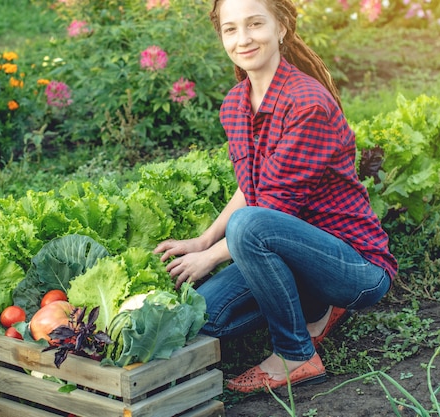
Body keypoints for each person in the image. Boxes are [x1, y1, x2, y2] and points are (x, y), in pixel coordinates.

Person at [153, 0, 398, 393]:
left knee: (248, 225)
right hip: (291, 251)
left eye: (255, 24)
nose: (243, 38)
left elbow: (266, 211)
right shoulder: (236, 103)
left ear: (281, 27)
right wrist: (203, 240)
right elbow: (251, 187)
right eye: (231, 29)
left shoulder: (307, 104)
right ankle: (317, 307)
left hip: (353, 267)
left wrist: (208, 260)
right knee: (208, 317)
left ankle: (296, 354)